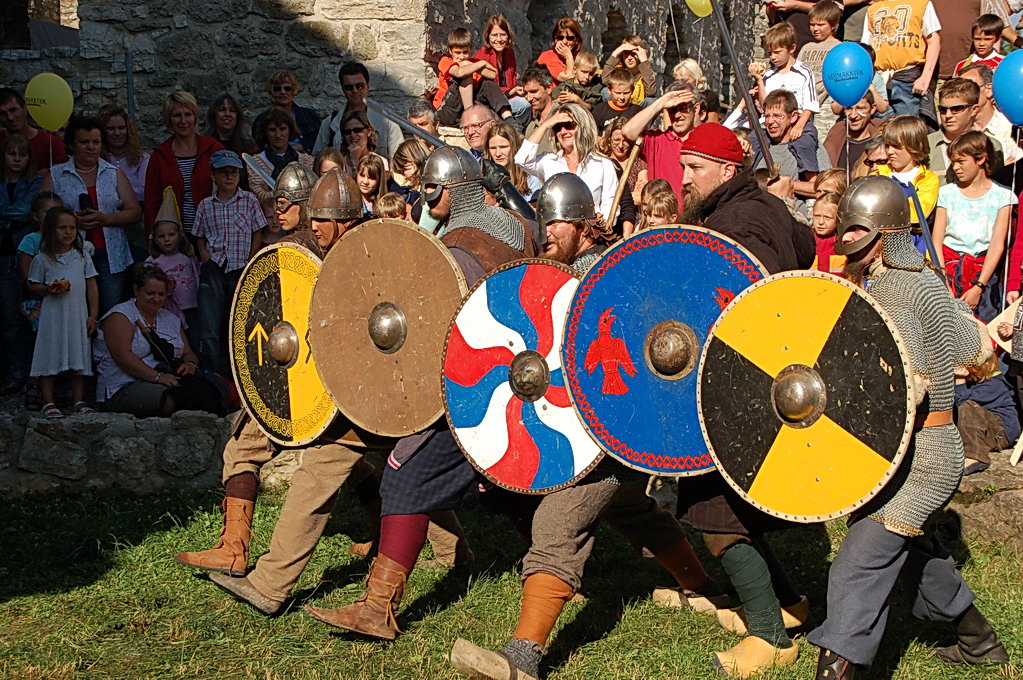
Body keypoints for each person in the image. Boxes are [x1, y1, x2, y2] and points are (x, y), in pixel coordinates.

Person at [449, 173, 716, 680]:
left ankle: (522, 657)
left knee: (557, 522)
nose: (545, 231)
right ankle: (706, 591)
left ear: (587, 227)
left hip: (613, 433)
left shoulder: (605, 281)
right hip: (598, 437)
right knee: (635, 512)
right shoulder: (566, 275)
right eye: (542, 219)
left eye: (558, 222)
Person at [303, 147, 534, 638]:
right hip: (518, 381)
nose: (426, 199)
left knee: (403, 476)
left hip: (471, 387)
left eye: (432, 189)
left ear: (450, 191)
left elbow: (444, 328)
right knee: (508, 485)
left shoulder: (454, 248)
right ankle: (556, 570)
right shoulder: (514, 228)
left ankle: (378, 608)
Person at [809, 175, 1009, 679]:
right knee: (915, 551)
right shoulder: (926, 283)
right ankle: (979, 642)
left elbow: (907, 388)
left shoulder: (893, 291)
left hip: (920, 457)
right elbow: (981, 354)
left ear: (884, 233)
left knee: (859, 561)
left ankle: (838, 669)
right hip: (925, 448)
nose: (847, 240)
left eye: (857, 230)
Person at [176, 168, 385, 613]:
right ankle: (448, 552)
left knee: (325, 473)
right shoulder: (297, 253)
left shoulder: (367, 257)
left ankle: (270, 584)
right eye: (284, 204)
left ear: (342, 218)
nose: (291, 214)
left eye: (306, 209)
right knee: (258, 449)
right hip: (300, 382)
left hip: (357, 392)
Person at [674, 123, 814, 677]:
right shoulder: (762, 209)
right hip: (758, 379)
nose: (684, 179)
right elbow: (805, 248)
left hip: (741, 380)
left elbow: (739, 303)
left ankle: (770, 635)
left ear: (727, 171)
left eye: (695, 168)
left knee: (715, 511)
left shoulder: (739, 224)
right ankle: (788, 603)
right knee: (735, 507)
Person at [42, 115, 141, 316]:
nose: (91, 147)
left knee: (110, 310)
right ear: (71, 144)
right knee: (73, 310)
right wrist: (70, 220)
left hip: (110, 255)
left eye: (96, 142)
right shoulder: (56, 174)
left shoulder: (113, 173)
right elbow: (40, 213)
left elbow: (135, 212)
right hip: (69, 255)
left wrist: (106, 219)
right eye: (84, 142)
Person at [93, 264, 218, 418]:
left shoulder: (171, 319)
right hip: (123, 385)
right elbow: (122, 355)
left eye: (161, 294)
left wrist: (190, 364)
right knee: (171, 400)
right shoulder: (121, 316)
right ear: (136, 290)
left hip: (167, 377)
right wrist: (158, 377)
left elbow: (188, 353)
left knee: (207, 392)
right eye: (150, 293)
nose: (156, 299)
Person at [193, 150, 265, 372]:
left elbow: (257, 231)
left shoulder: (249, 200)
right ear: (213, 175)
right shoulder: (206, 205)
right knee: (209, 323)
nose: (229, 177)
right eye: (224, 173)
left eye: (233, 172)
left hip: (240, 266)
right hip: (215, 265)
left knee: (238, 322)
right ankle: (212, 373)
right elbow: (199, 235)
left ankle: (240, 373)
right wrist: (204, 255)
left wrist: (251, 258)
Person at [933, 131, 1014, 322]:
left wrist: (979, 286)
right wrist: (943, 279)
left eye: (961, 161)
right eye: (953, 161)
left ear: (980, 159)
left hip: (983, 273)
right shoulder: (947, 193)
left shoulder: (1003, 196)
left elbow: (996, 244)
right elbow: (937, 241)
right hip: (949, 273)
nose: (956, 167)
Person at [27, 206, 98, 418]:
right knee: (49, 354)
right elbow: (32, 284)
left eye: (72, 228)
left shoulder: (82, 256)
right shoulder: (42, 258)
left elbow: (92, 286)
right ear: (50, 230)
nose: (68, 232)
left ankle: (79, 400)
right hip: (53, 316)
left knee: (79, 355)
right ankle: (48, 401)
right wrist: (48, 289)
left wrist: (93, 315)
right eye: (62, 228)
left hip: (77, 314)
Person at [727, 21, 819, 158]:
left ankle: (809, 175)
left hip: (798, 120)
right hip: (771, 122)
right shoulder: (769, 75)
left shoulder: (803, 72)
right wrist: (759, 80)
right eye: (770, 53)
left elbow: (810, 104)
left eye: (777, 52)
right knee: (752, 142)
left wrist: (799, 125)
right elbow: (766, 105)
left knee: (804, 144)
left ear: (792, 48)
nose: (773, 57)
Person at [515, 103, 619, 218]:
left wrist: (600, 223)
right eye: (557, 127)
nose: (563, 132)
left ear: (583, 126)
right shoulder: (548, 161)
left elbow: (611, 205)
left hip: (591, 231)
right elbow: (521, 159)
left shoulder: (603, 164)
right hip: (556, 231)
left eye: (569, 125)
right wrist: (545, 126)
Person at [144, 91, 224, 239]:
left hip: (212, 232)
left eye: (188, 114)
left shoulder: (214, 149)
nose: (183, 121)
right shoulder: (159, 156)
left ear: (195, 117)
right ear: (169, 120)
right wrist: (152, 236)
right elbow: (152, 202)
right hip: (175, 237)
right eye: (177, 115)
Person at [0, 134, 40, 393]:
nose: (17, 159)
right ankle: (16, 371)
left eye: (22, 155)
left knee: (34, 315)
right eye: (12, 154)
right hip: (3, 257)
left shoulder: (34, 182)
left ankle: (37, 373)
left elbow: (26, 211)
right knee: (9, 318)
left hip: (26, 256)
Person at [862, 0, 942, 122]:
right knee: (879, 130)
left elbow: (934, 41)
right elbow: (866, 48)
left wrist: (925, 78)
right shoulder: (873, 9)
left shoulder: (922, 4)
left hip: (908, 78)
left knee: (907, 130)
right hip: (879, 79)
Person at [18, 191, 62, 411]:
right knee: (38, 342)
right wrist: (47, 287)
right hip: (38, 300)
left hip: (61, 301)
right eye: (47, 211)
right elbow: (27, 277)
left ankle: (56, 386)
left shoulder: (68, 239)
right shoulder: (31, 241)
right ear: (36, 216)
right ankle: (34, 384)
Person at [623, 83, 702, 203]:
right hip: (660, 218)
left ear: (696, 109)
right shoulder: (656, 140)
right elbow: (628, 132)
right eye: (672, 110)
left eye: (683, 108)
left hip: (693, 219)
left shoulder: (704, 140)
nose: (677, 115)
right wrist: (661, 103)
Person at [312, 62, 404, 160]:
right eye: (349, 87)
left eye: (359, 86)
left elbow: (400, 161)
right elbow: (317, 160)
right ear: (343, 89)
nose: (355, 91)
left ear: (368, 86)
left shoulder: (387, 122)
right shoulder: (330, 124)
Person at [145, 188, 200, 348]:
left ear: (179, 235)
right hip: (168, 312)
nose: (167, 240)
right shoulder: (153, 262)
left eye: (171, 235)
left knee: (195, 341)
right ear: (154, 240)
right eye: (162, 237)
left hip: (192, 309)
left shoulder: (189, 258)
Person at [754, 90, 832, 197]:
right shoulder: (759, 145)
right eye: (767, 116)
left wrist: (787, 184)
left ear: (793, 116)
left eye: (777, 116)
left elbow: (826, 189)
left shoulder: (808, 145)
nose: (770, 121)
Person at [928, 78, 1005, 184]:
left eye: (957, 109)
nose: (948, 115)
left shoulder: (990, 146)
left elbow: (996, 187)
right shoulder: (926, 145)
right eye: (943, 109)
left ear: (974, 110)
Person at [433, 28, 516, 127]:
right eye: (457, 53)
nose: (462, 57)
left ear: (470, 50)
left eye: (465, 52)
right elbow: (459, 73)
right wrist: (480, 63)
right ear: (450, 51)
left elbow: (493, 74)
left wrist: (477, 64)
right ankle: (470, 117)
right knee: (466, 76)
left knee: (488, 84)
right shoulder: (446, 61)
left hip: (465, 107)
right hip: (447, 110)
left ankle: (509, 118)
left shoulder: (474, 63)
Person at [955, 354, 1020, 475]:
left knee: (967, 407)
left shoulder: (994, 384)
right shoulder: (976, 383)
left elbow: (961, 400)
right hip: (987, 430)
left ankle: (976, 456)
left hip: (1001, 434)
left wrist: (959, 380)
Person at [875, 115, 940, 226]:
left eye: (896, 146)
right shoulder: (877, 175)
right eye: (887, 145)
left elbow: (918, 213)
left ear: (914, 145)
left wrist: (881, 208)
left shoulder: (927, 179)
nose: (890, 151)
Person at [958, 64, 1023, 171]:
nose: (962, 94)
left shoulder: (1010, 126)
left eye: (969, 87)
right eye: (958, 89)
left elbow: (1017, 164)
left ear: (988, 89)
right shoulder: (956, 128)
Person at [246, 107, 315, 203]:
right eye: (272, 130)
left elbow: (312, 193)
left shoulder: (306, 161)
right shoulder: (255, 163)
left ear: (290, 130)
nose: (278, 135)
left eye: (282, 129)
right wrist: (293, 193)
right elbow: (260, 196)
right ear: (266, 132)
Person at [797, 1, 843, 141]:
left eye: (820, 25)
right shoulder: (806, 47)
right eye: (812, 24)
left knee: (823, 142)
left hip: (826, 105)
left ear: (833, 25)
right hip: (803, 103)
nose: (815, 29)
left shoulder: (838, 48)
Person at [472, 14, 531, 122]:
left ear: (508, 36)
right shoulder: (482, 56)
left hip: (508, 100)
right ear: (488, 36)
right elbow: (487, 89)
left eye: (503, 35)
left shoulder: (509, 54)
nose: (499, 39)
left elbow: (512, 80)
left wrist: (516, 91)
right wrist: (510, 92)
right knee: (524, 104)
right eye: (494, 35)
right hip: (490, 105)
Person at [251, 70, 322, 154]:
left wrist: (303, 147)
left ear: (294, 91)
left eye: (287, 88)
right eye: (277, 89)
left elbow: (319, 146)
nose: (282, 92)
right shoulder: (261, 120)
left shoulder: (310, 117)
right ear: (271, 91)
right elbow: (260, 147)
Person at [0, 87, 67, 170]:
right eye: (3, 113)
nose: (10, 117)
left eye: (13, 110)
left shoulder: (51, 143)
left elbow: (62, 178)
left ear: (24, 108)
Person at [98, 105, 149, 207]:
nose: (117, 133)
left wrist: (110, 194)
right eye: (111, 128)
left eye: (121, 128)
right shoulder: (97, 159)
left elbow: (144, 193)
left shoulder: (143, 159)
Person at [823, 92, 882, 170]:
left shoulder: (882, 135)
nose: (853, 115)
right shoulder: (836, 133)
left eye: (860, 108)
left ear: (872, 109)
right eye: (849, 108)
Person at [600, 116, 648, 209]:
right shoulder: (601, 163)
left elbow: (641, 197)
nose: (621, 145)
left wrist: (613, 198)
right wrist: (630, 195)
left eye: (625, 141)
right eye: (617, 140)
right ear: (609, 140)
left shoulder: (638, 164)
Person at [484, 122, 539, 198]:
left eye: (503, 147)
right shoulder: (483, 178)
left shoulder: (530, 178)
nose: (498, 153)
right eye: (493, 148)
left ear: (514, 147)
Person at [601, 36, 657, 105]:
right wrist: (615, 54)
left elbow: (651, 92)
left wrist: (644, 61)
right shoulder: (618, 70)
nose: (629, 58)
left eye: (633, 54)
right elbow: (605, 81)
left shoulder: (646, 72)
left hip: (639, 110)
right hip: (619, 108)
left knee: (651, 101)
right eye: (626, 53)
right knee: (605, 91)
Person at [204, 92, 258, 158]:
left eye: (232, 110)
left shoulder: (248, 145)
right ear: (214, 114)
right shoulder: (204, 144)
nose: (227, 114)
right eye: (222, 110)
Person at [591, 69, 643, 133]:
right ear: (609, 90)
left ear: (632, 91)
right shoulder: (600, 109)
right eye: (618, 93)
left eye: (626, 93)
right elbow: (592, 134)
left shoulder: (637, 111)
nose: (622, 97)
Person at [338, 110, 389, 174]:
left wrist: (355, 163)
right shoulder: (339, 164)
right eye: (347, 132)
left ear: (369, 131)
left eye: (358, 130)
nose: (353, 135)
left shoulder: (381, 162)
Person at [521, 67, 557, 154]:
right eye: (526, 93)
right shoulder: (531, 127)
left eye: (533, 91)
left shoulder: (563, 117)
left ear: (549, 88)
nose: (529, 98)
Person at [535, 17, 583, 84]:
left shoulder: (580, 58)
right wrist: (568, 57)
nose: (564, 42)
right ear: (555, 39)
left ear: (577, 40)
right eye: (560, 37)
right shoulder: (547, 57)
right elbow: (568, 79)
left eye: (570, 38)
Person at [673, 58, 722, 123]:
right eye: (677, 81)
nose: (680, 84)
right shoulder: (673, 98)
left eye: (684, 80)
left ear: (696, 78)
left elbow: (713, 125)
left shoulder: (710, 97)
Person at [811, 191, 845, 275]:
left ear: (838, 219)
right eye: (817, 216)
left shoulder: (845, 242)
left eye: (827, 217)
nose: (821, 222)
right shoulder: (805, 239)